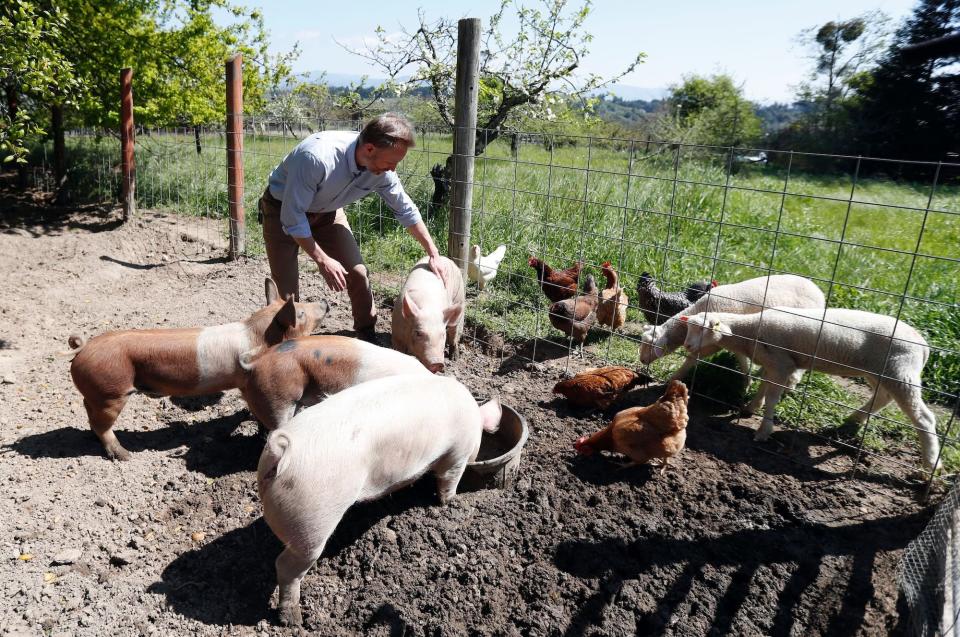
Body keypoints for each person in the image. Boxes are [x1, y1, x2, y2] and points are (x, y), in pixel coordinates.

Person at [258, 113, 443, 343]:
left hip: (328, 213)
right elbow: (293, 217)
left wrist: (433, 253)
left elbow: (405, 210)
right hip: (283, 211)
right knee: (287, 294)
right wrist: (323, 260)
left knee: (358, 273)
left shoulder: (383, 172)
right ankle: (282, 344)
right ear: (369, 149)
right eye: (391, 162)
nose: (393, 169)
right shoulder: (316, 157)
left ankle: (366, 333)